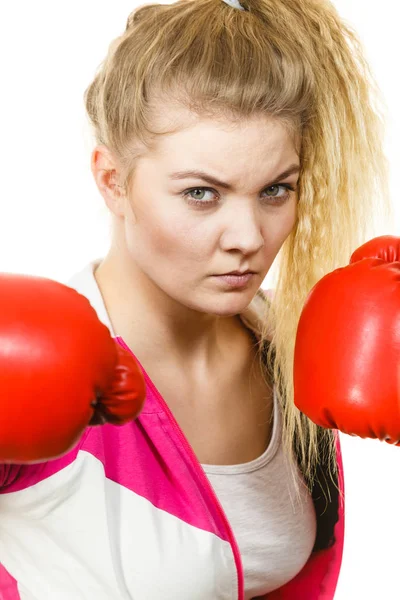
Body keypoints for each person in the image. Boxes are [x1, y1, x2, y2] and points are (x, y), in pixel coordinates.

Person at [0, 0, 394, 598]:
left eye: (275, 189)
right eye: (202, 194)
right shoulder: (27, 359)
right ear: (113, 180)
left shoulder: (293, 346)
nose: (248, 238)